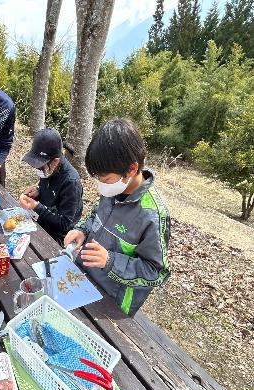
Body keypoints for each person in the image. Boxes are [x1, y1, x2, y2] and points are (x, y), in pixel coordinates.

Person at [64, 119, 171, 316]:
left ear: (131, 169)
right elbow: (96, 215)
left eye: (105, 180)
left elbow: (156, 273)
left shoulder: (152, 215)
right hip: (81, 281)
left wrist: (110, 261)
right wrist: (82, 230)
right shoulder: (113, 189)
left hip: (110, 305)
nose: (100, 186)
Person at [19, 128, 83, 244]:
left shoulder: (71, 182)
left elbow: (65, 224)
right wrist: (38, 192)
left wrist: (37, 207)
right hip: (41, 222)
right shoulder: (49, 169)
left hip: (57, 236)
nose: (37, 170)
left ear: (56, 161)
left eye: (40, 167)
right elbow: (48, 190)